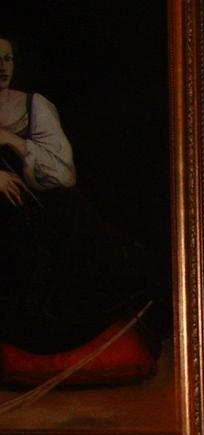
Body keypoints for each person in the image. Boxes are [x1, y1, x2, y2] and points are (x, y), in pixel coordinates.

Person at [0, 31, 162, 388]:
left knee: (103, 258)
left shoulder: (34, 106)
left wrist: (11, 140)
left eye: (7, 59)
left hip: (46, 209)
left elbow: (63, 173)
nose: (2, 67)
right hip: (9, 223)